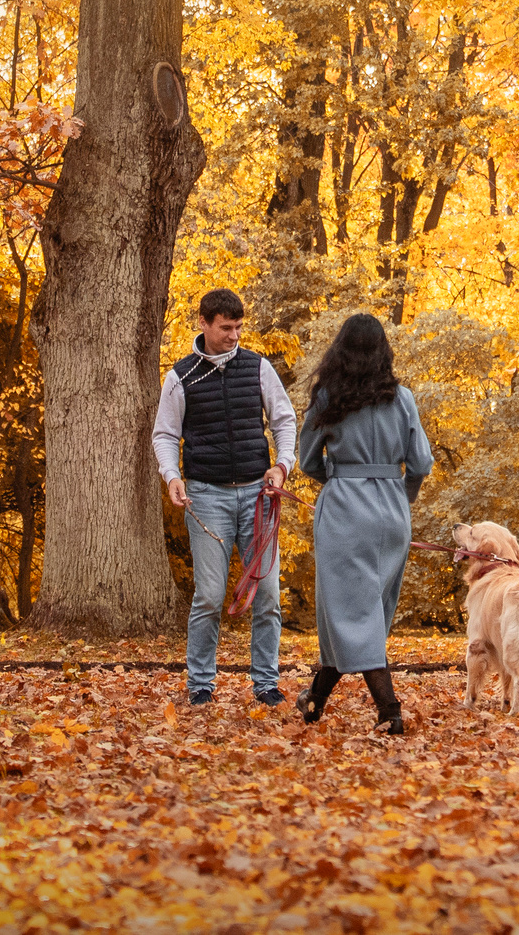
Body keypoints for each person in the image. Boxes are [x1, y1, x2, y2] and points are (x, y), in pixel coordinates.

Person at [151, 288, 296, 706]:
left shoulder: (258, 369)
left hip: (258, 496)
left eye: (238, 328)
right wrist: (171, 475)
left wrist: (281, 466)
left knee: (267, 593)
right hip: (206, 496)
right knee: (210, 596)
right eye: (226, 328)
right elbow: (164, 434)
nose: (234, 336)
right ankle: (200, 685)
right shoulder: (181, 376)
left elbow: (285, 421)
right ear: (204, 323)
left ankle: (266, 683)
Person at [295, 313, 435, 734]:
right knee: (364, 615)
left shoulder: (328, 400)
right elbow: (422, 462)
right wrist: (400, 494)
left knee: (352, 616)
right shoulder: (403, 398)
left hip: (344, 513)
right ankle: (314, 699)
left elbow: (306, 461)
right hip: (393, 513)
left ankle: (390, 712)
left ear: (340, 351)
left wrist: (339, 482)